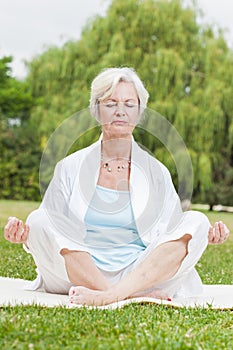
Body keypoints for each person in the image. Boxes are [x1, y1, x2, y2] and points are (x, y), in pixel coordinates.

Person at [4, 67, 230, 306]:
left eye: (129, 104)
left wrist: (205, 236)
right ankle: (124, 295)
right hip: (79, 272)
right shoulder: (69, 166)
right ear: (97, 109)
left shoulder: (156, 171)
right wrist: (23, 234)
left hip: (139, 272)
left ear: (139, 112)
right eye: (111, 103)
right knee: (39, 218)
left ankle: (112, 295)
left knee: (197, 221)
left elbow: (173, 233)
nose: (120, 111)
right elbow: (48, 230)